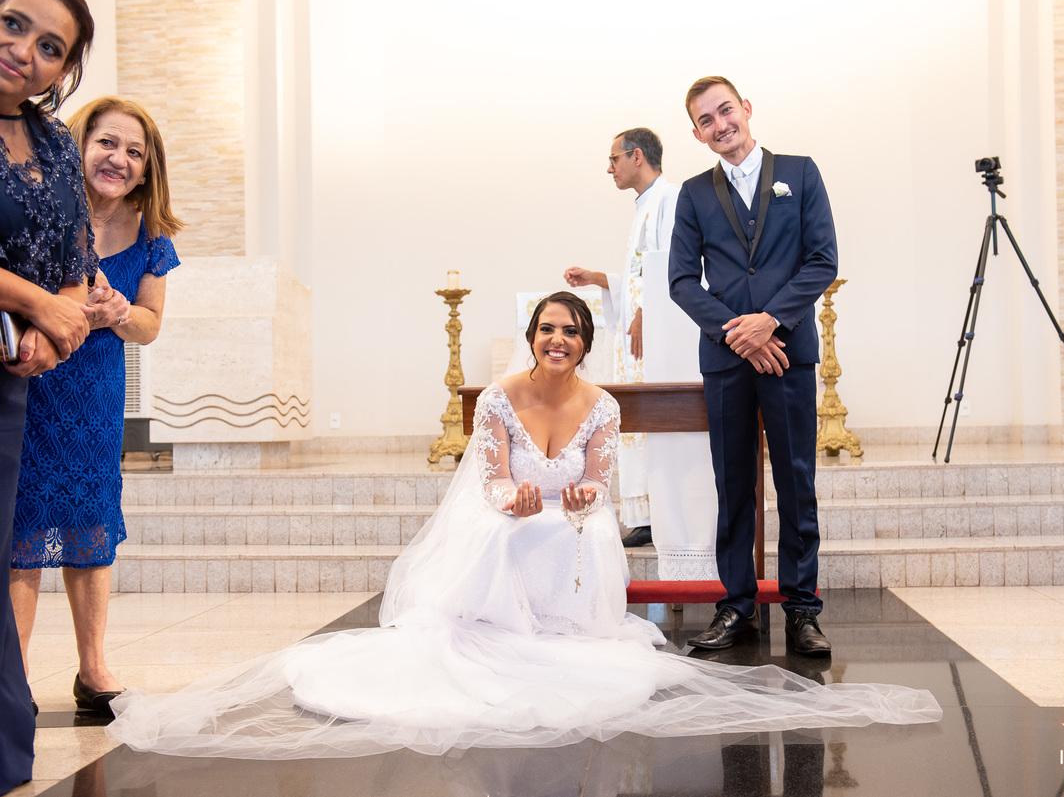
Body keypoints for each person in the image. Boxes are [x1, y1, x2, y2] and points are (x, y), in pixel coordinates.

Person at [106, 293, 940, 758]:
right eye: (548, 329)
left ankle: (566, 628)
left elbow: (599, 480)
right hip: (504, 519)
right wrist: (517, 496)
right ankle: (494, 632)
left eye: (571, 332)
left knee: (582, 528)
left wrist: (581, 498)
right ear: (533, 336)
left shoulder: (602, 405)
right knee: (510, 527)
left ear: (584, 344)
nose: (559, 341)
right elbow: (496, 478)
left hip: (566, 526)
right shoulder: (499, 397)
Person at [9, 96, 183, 718]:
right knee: (22, 527)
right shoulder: (42, 206)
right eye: (108, 142)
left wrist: (119, 313)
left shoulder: (151, 236)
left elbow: (150, 324)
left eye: (135, 152)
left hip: (94, 393)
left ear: (147, 169)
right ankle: (15, 677)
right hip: (32, 376)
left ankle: (93, 669)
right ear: (80, 144)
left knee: (90, 521)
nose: (119, 158)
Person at [669, 76, 836, 655]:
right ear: (697, 133)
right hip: (727, 357)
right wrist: (737, 332)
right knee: (732, 482)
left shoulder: (801, 171)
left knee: (796, 480)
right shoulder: (692, 194)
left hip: (787, 350)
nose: (721, 125)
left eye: (725, 111)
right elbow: (681, 281)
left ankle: (802, 609)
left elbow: (822, 260)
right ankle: (736, 605)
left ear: (745, 108)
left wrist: (771, 320)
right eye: (706, 121)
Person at [0, 0, 96, 790]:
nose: (24, 48)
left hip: (10, 380)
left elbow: (72, 254)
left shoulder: (56, 144)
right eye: (11, 22)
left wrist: (50, 326)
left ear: (63, 70)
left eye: (50, 45)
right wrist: (34, 302)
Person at [564, 128, 677, 549]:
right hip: (640, 330)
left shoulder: (669, 198)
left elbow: (671, 267)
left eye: (614, 159)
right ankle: (643, 513)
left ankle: (657, 510)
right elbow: (637, 275)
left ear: (636, 156)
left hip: (656, 331)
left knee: (651, 419)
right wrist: (600, 280)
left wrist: (648, 314)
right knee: (635, 421)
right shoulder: (644, 206)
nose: (609, 168)